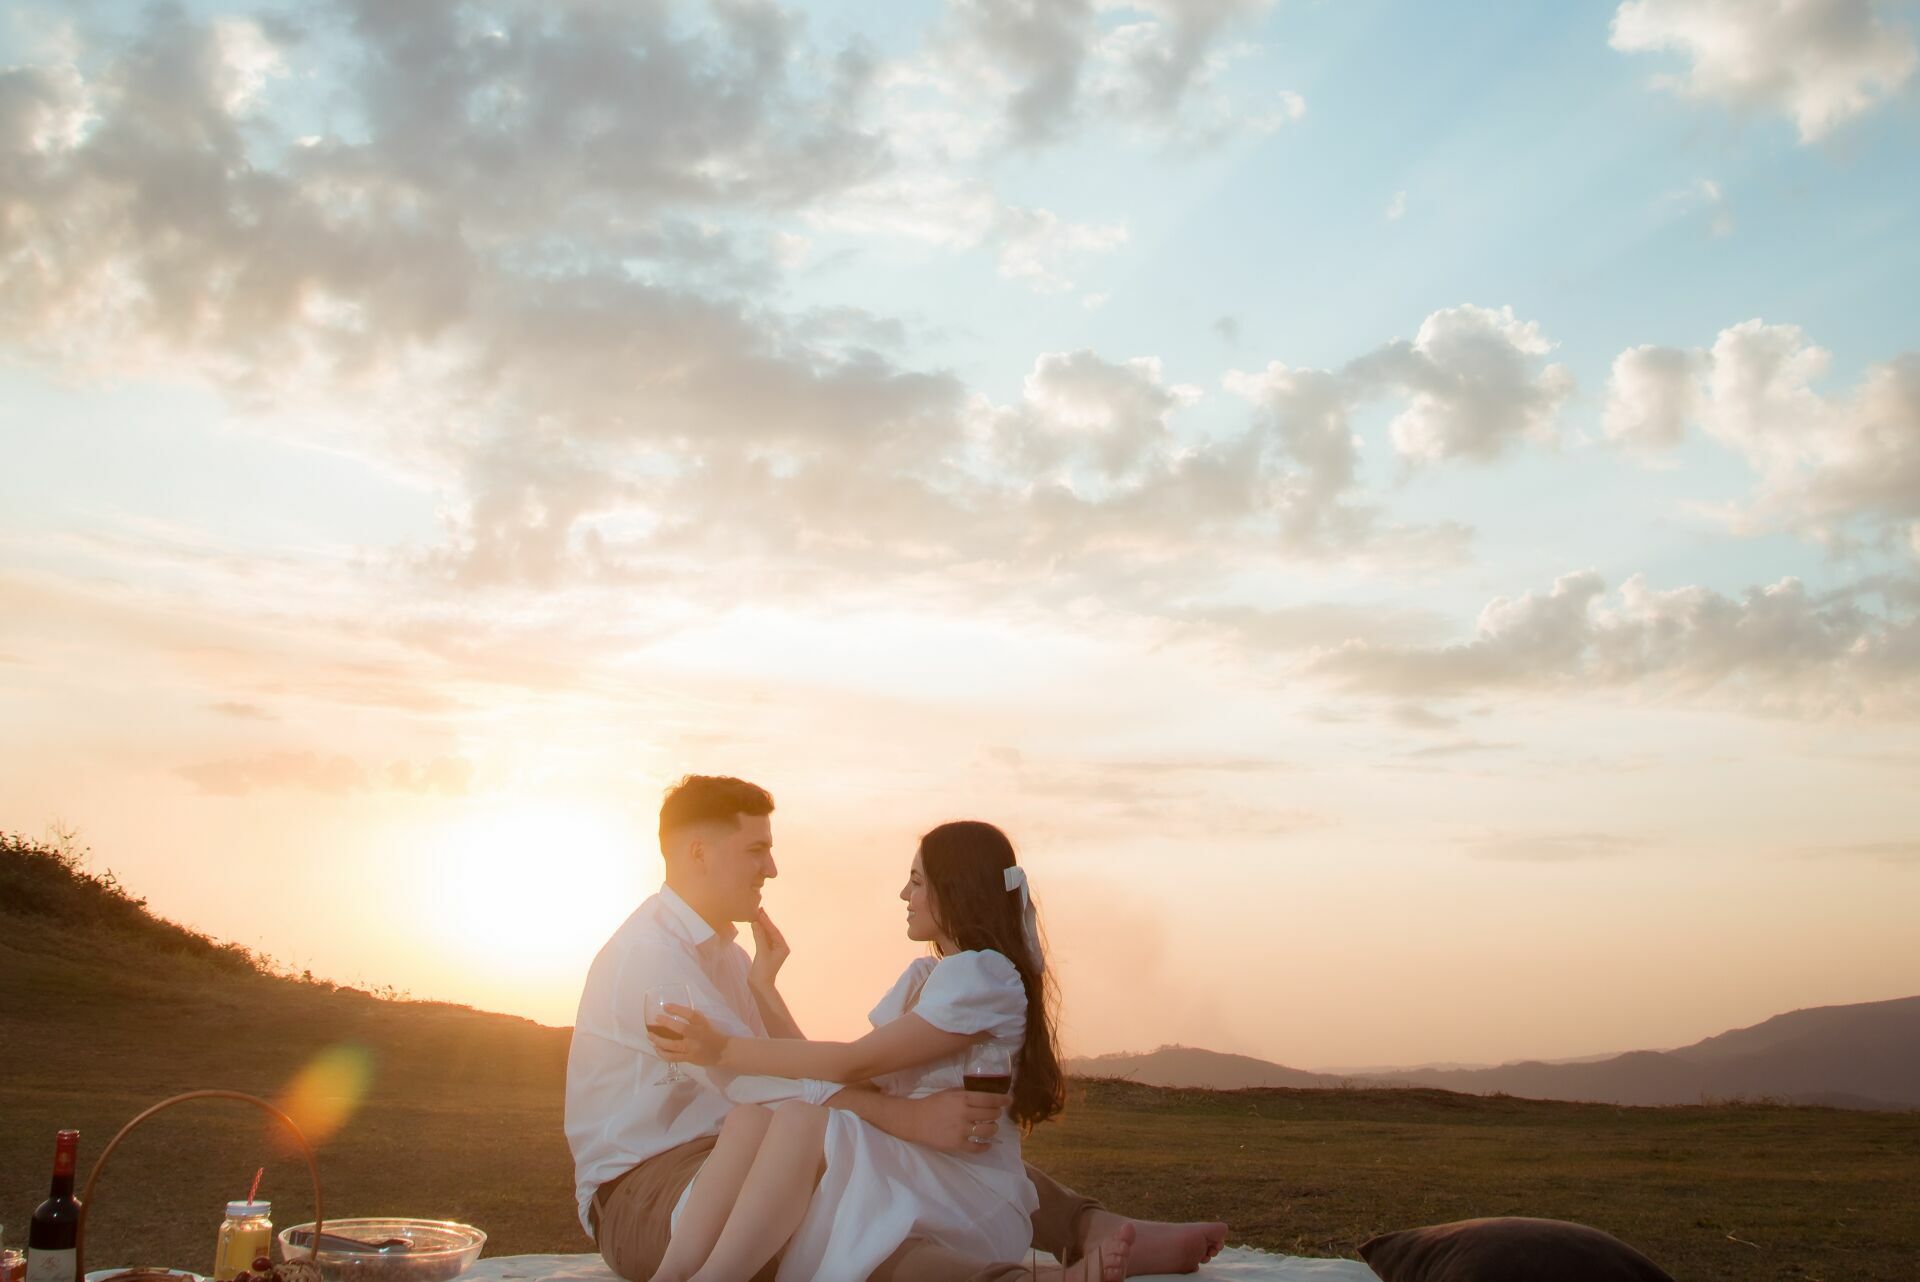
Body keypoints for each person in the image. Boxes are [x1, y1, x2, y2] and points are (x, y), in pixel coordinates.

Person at [564, 775, 1228, 1282]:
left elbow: (800, 1074)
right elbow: (755, 1085)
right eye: (758, 849)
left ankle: (1089, 1227)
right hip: (651, 1190)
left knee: (880, 1171)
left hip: (734, 1151)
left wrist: (765, 990)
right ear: (699, 853)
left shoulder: (726, 957)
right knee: (850, 1210)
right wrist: (906, 1120)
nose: (772, 868)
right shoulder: (654, 962)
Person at [646, 820, 1071, 1281]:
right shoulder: (930, 977)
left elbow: (852, 1061)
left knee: (798, 1118)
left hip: (965, 1187)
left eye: (916, 881)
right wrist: (763, 987)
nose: (904, 896)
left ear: (955, 888)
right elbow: (846, 1076)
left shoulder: (982, 975)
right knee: (750, 1117)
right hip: (922, 1162)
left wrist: (722, 1049)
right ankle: (673, 1274)